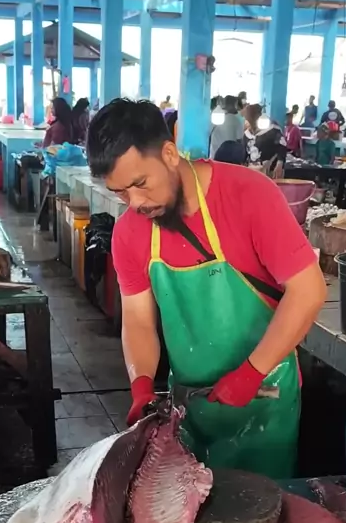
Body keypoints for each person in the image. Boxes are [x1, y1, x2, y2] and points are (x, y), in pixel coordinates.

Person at [86, 98, 326, 478]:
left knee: (262, 508)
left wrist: (251, 372)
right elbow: (138, 320)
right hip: (190, 410)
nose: (135, 202)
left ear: (169, 154)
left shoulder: (249, 195)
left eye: (140, 184)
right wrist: (142, 383)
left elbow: (308, 291)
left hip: (265, 401)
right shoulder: (130, 231)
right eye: (120, 192)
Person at [244, 104, 287, 177]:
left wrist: (279, 164)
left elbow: (282, 146)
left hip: (271, 171)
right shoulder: (247, 134)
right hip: (253, 171)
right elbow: (245, 154)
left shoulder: (272, 130)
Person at [209, 95, 244, 159]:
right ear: (235, 104)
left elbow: (208, 133)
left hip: (214, 155)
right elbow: (240, 140)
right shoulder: (236, 120)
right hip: (229, 157)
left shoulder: (215, 116)